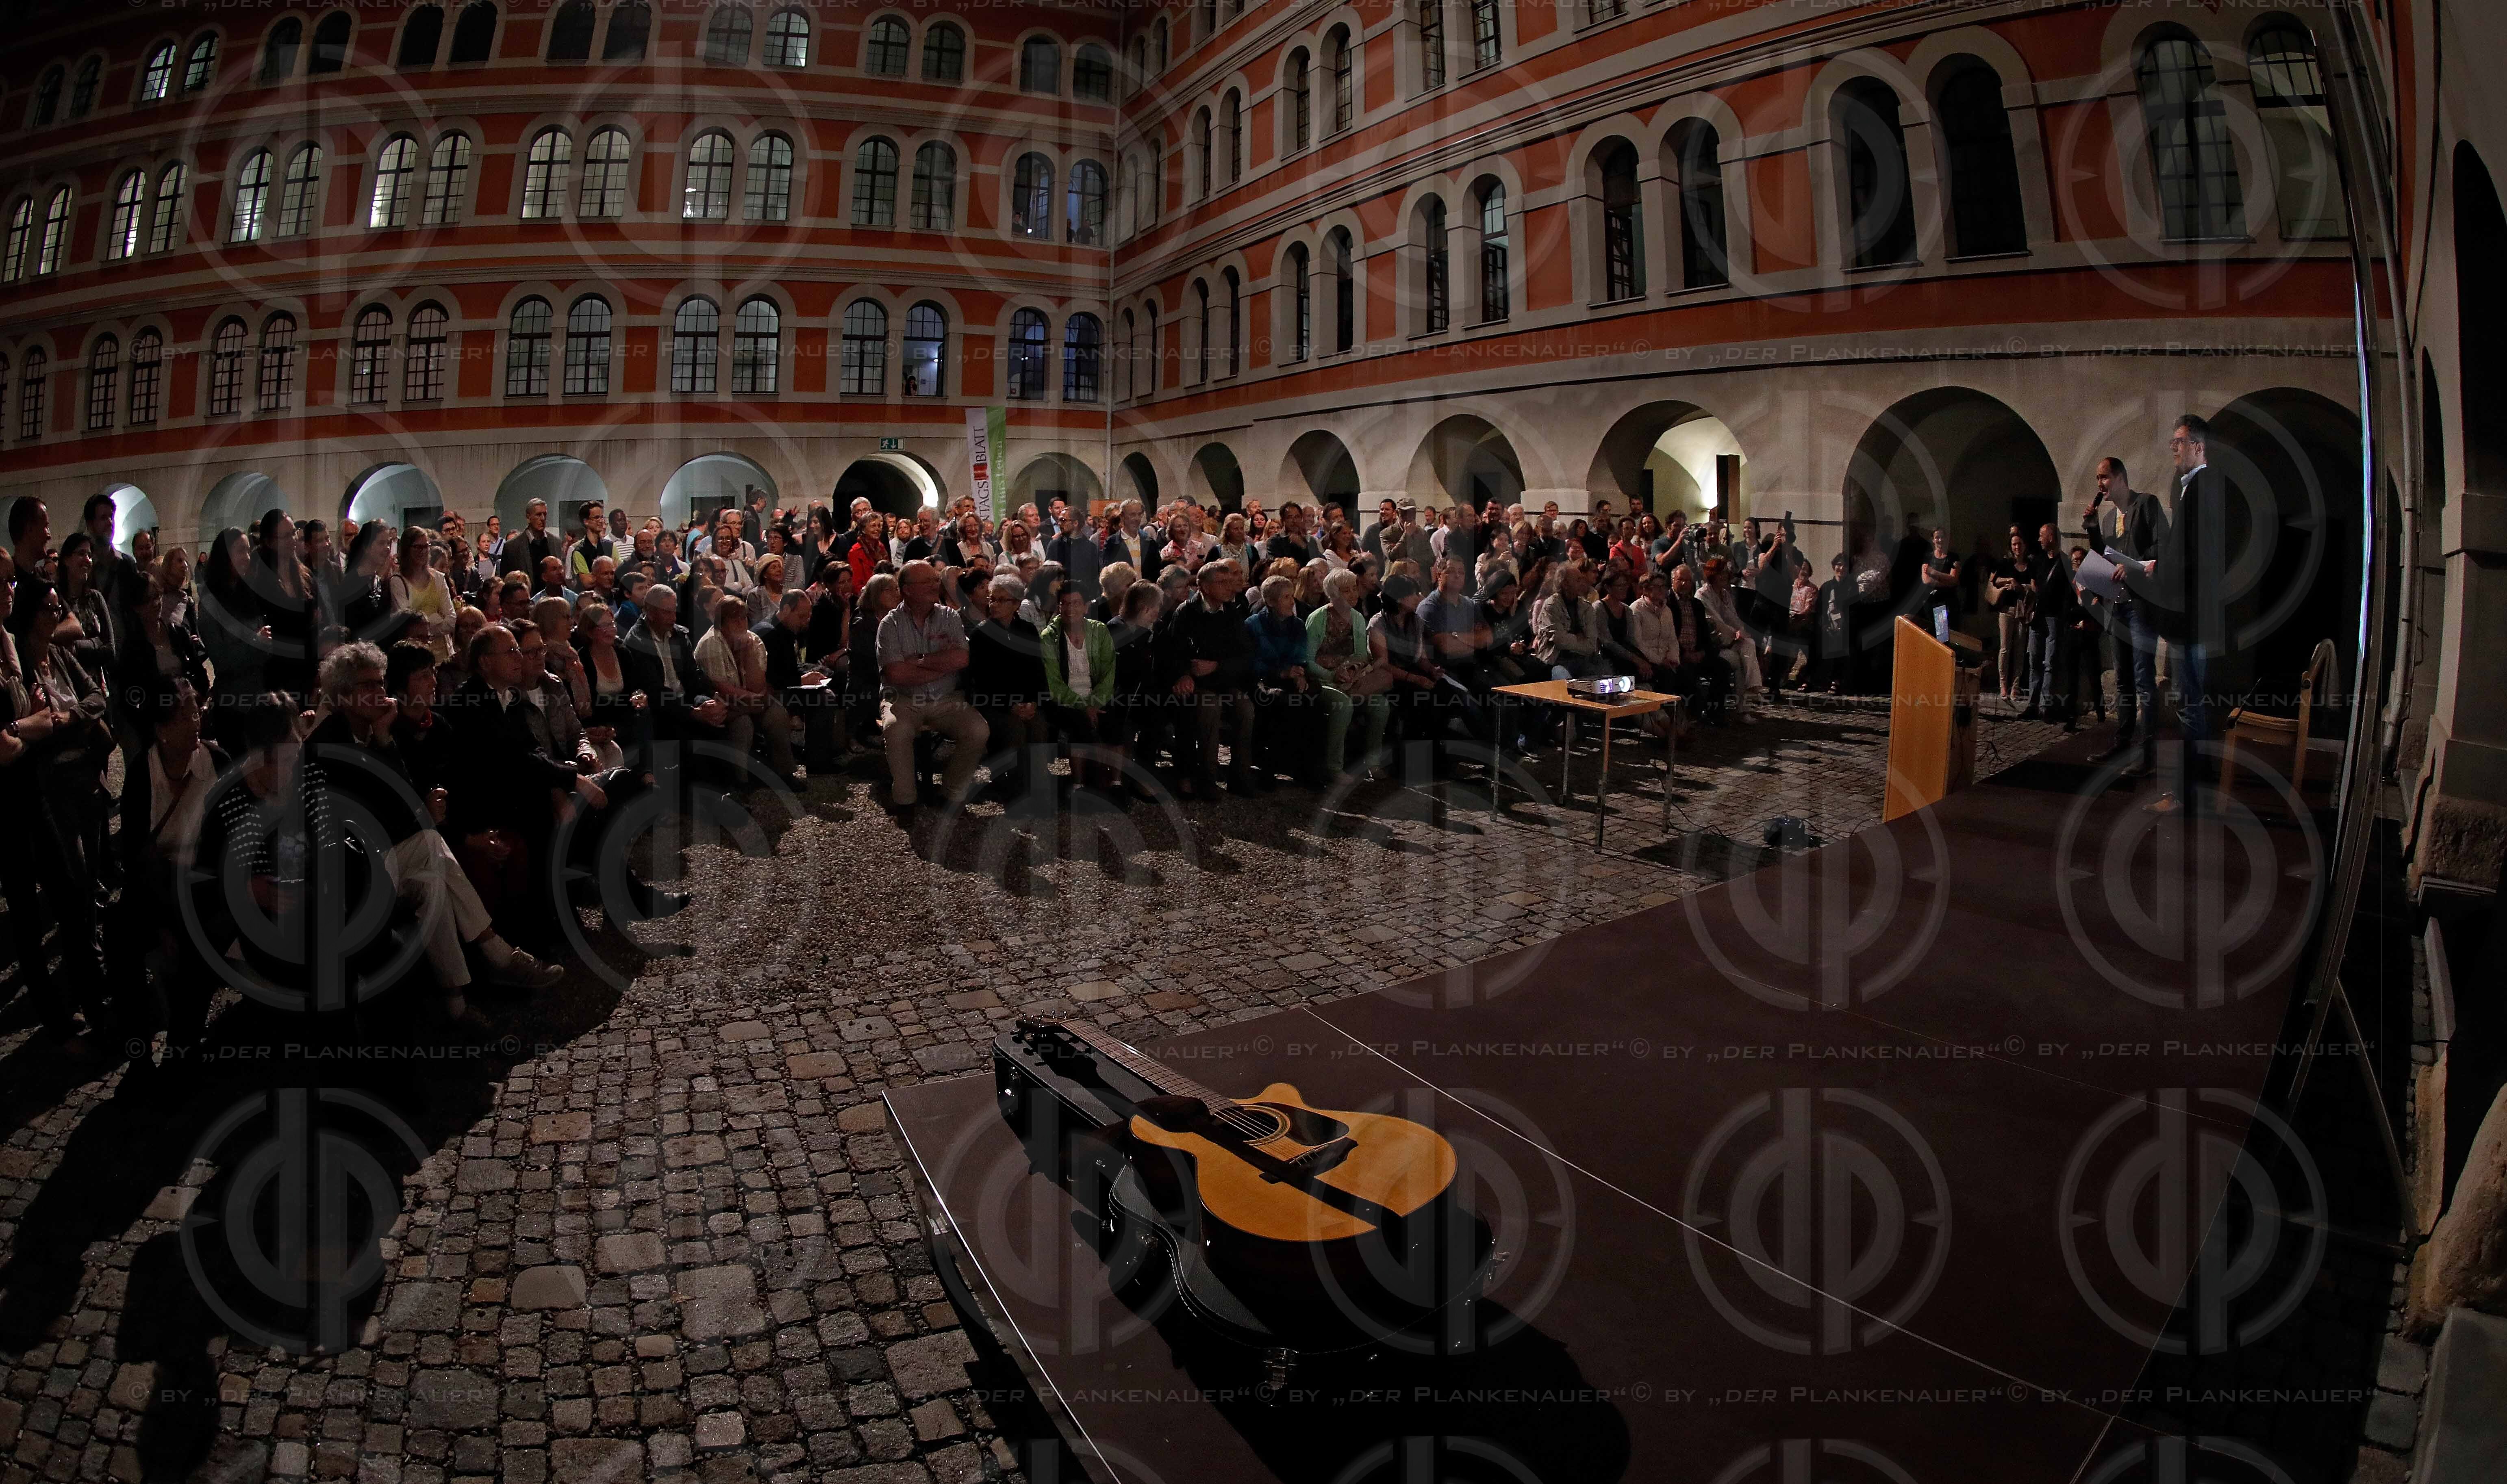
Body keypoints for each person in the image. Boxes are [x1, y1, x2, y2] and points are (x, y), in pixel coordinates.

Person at [304, 642, 562, 1035]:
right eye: (367, 686)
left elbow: (406, 802)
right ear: (342, 696)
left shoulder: (376, 733)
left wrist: (386, 741)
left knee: (434, 882)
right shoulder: (328, 744)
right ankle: (497, 953)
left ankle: (455, 1006)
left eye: (380, 683)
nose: (379, 693)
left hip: (388, 856)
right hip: (349, 874)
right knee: (428, 844)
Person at [876, 560, 989, 811]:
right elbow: (896, 674)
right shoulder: (890, 624)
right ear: (906, 589)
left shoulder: (949, 617)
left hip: (947, 699)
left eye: (935, 580)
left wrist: (917, 662)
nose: (934, 585)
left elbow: (962, 658)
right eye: (926, 581)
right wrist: (941, 665)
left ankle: (951, 794)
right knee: (896, 732)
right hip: (903, 700)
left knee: (978, 731)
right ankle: (905, 801)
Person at [2087, 456, 2169, 774]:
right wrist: (2093, 528)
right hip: (2117, 605)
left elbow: (2164, 545)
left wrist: (2131, 564)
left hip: (2141, 606)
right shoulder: (2108, 520)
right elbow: (2101, 558)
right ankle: (2122, 743)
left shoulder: (2147, 504)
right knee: (2123, 681)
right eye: (2098, 479)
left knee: (2144, 679)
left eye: (2105, 477)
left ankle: (2148, 755)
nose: (2100, 485)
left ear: (2121, 477)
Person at [1158, 560, 1261, 797]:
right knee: (1210, 708)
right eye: (1221, 582)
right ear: (1203, 586)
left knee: (1246, 709)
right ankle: (1207, 779)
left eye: (1229, 582)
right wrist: (1185, 673)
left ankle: (1240, 777)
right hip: (1198, 684)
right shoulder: (1186, 613)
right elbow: (1173, 652)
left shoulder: (1232, 614)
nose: (1228, 588)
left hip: (1223, 679)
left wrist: (1218, 666)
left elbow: (1245, 656)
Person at [694, 593, 801, 784]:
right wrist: (756, 701)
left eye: (744, 618)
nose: (742, 624)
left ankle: (785, 773)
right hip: (723, 703)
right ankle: (740, 783)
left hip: (749, 700)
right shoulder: (711, 644)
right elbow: (722, 688)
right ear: (722, 624)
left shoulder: (754, 641)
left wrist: (749, 653)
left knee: (777, 715)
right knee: (743, 724)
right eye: (735, 621)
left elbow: (758, 685)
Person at [1307, 566, 1394, 777]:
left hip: (1350, 680)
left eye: (1354, 588)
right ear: (1333, 593)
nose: (1353, 594)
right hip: (1322, 680)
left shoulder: (1357, 618)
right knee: (1343, 705)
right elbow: (1307, 661)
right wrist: (1332, 675)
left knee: (1381, 706)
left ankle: (1372, 762)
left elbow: (1360, 656)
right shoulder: (1318, 618)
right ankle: (1334, 767)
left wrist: (1353, 672)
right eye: (1346, 590)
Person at [1246, 573, 1325, 786]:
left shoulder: (1297, 625)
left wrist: (1299, 675)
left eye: (1292, 596)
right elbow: (1251, 663)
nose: (1292, 602)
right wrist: (1281, 673)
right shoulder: (1253, 625)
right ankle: (1269, 767)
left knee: (1312, 703)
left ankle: (1306, 768)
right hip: (1262, 681)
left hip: (1289, 678)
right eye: (1286, 597)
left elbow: (1300, 656)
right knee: (1282, 703)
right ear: (1271, 602)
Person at [2024, 522, 2077, 727]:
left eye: (2041, 536)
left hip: (2055, 618)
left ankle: (2046, 706)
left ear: (2051, 538)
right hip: (2038, 617)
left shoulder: (2064, 562)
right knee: (2034, 661)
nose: (2039, 540)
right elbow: (2034, 584)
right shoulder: (2038, 561)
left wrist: (2064, 617)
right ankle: (2032, 703)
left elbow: (2069, 593)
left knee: (2050, 663)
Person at [1986, 529, 2033, 702]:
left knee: (2020, 650)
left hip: (2023, 612)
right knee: (2005, 649)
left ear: (2025, 545)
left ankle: (2016, 686)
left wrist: (2020, 586)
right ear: (2011, 547)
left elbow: (2034, 588)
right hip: (2007, 610)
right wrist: (2009, 582)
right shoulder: (2006, 564)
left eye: (2020, 544)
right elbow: (1995, 580)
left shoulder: (2030, 565)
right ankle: (2003, 685)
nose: (2017, 547)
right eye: (2014, 544)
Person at [500, 497, 565, 577]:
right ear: (528, 518)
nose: (543, 519)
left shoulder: (556, 542)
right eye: (538, 515)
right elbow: (506, 579)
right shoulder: (512, 547)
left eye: (545, 514)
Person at [1919, 529, 1962, 646]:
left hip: (1949, 602)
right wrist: (1947, 581)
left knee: (1948, 638)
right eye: (1937, 537)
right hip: (1933, 603)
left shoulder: (1953, 557)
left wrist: (1934, 573)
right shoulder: (1928, 557)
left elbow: (1954, 579)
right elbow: (1926, 580)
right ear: (1933, 540)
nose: (1940, 540)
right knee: (1936, 637)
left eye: (1942, 537)